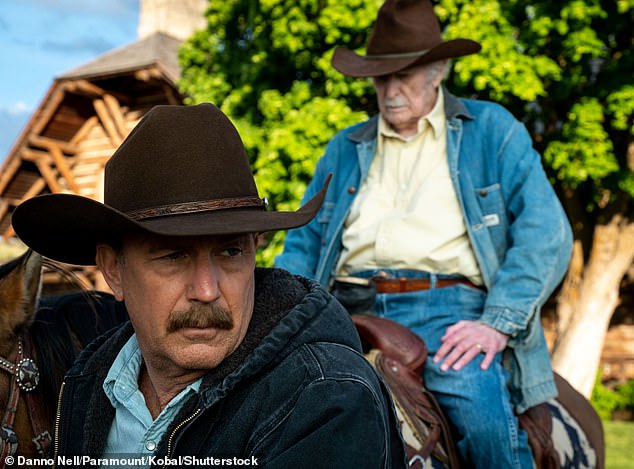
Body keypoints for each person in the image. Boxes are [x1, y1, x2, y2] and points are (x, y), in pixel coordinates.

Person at [12, 103, 406, 467]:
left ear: (255, 250)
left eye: (231, 253)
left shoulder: (326, 397)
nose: (206, 290)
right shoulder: (85, 385)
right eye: (172, 256)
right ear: (113, 270)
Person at [275, 0, 573, 468]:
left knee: (487, 425)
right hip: (342, 308)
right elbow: (304, 244)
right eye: (380, 77)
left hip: (449, 313)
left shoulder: (492, 131)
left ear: (438, 70)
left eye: (405, 75)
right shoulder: (343, 147)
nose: (390, 90)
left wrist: (496, 322)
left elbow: (546, 232)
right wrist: (280, 312)